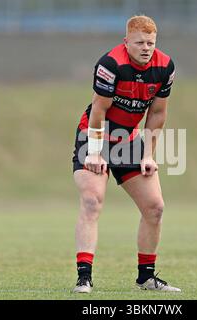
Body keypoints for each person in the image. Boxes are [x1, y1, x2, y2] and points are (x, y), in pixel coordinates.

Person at [71, 15, 180, 293]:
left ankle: (146, 277)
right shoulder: (111, 64)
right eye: (140, 42)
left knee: (155, 208)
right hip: (94, 134)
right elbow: (99, 110)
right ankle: (84, 278)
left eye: (151, 43)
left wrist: (148, 154)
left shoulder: (165, 66)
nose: (146, 48)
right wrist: (95, 152)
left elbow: (157, 113)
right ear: (126, 42)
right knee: (92, 201)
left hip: (129, 139)